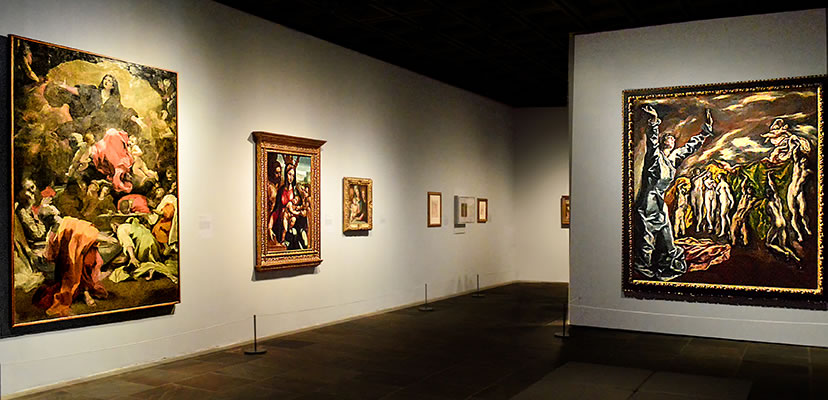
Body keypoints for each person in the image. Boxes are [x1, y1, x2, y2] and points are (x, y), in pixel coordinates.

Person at [633, 106, 715, 281]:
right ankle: (642, 269)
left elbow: (690, 147)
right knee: (647, 237)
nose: (670, 139)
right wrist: (654, 122)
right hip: (648, 202)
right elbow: (652, 142)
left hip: (660, 202)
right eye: (667, 137)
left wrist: (705, 131)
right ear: (662, 141)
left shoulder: (673, 158)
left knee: (666, 237)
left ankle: (665, 261)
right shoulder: (655, 157)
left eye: (672, 138)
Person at [33, 205, 108, 316]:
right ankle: (85, 293)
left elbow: (49, 256)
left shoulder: (56, 231)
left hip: (71, 263)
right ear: (55, 214)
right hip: (69, 265)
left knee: (80, 260)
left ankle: (85, 292)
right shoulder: (67, 224)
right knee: (80, 262)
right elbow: (89, 233)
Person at [765, 173, 799, 262]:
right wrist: (769, 178)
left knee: (768, 243)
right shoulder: (778, 200)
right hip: (783, 222)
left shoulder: (769, 204)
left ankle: (785, 253)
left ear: (767, 195)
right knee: (783, 245)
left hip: (776, 223)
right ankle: (796, 258)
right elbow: (774, 188)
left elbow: (769, 215)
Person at [787, 141, 812, 241]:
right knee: (794, 214)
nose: (804, 162)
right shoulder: (796, 168)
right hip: (791, 192)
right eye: (802, 161)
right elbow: (795, 155)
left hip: (799, 192)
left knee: (803, 212)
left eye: (805, 161)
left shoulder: (808, 172)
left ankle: (806, 227)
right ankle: (799, 234)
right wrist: (796, 145)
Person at [730, 181, 758, 246]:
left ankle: (744, 242)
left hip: (743, 214)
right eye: (748, 189)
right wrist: (745, 179)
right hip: (738, 213)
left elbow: (748, 208)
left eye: (750, 189)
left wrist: (743, 215)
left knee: (743, 228)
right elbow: (742, 186)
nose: (749, 190)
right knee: (734, 228)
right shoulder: (744, 195)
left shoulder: (753, 199)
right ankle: (734, 241)